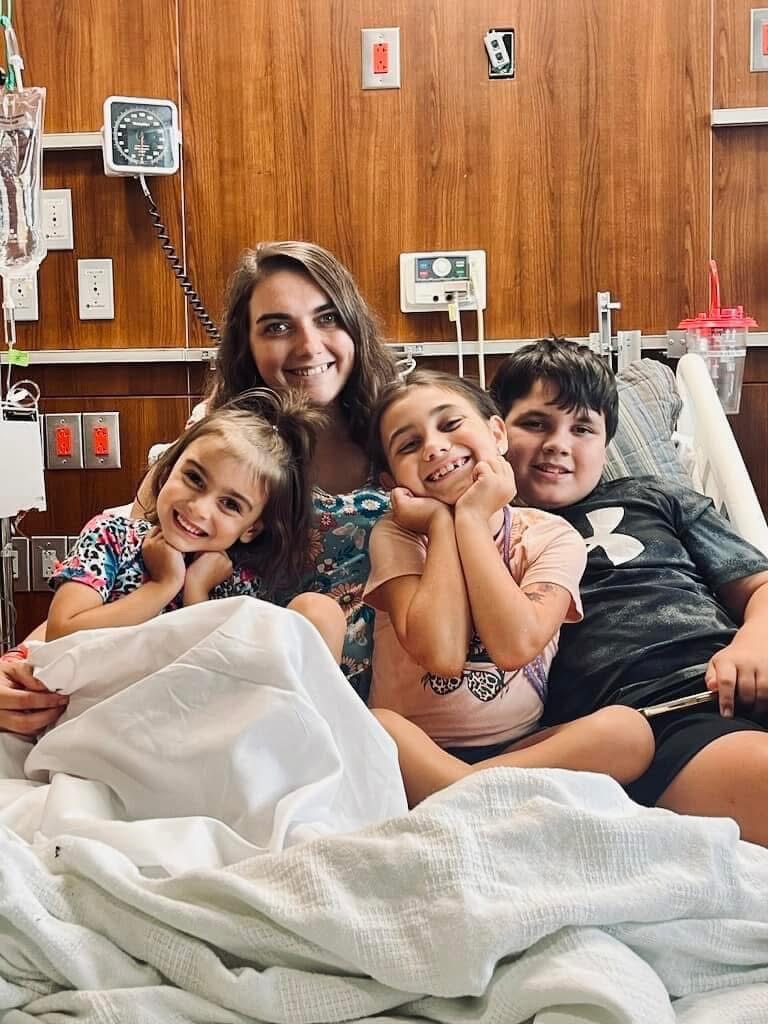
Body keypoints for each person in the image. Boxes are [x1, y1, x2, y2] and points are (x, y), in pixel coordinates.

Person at [491, 338, 768, 846]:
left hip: (739, 670)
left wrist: (754, 643)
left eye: (582, 429)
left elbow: (760, 585)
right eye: (535, 423)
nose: (558, 443)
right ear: (496, 433)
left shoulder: (655, 498)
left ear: (606, 444)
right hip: (657, 717)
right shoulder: (493, 535)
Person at [362, 369, 655, 807]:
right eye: (409, 445)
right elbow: (441, 655)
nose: (434, 447)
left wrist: (469, 519)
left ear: (498, 434)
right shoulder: (397, 535)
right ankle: (481, 793)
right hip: (414, 748)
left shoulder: (551, 536)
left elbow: (516, 645)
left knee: (628, 732)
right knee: (379, 726)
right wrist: (441, 525)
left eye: (450, 424)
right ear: (391, 483)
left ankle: (461, 790)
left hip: (519, 750)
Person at [134, 241, 398, 693]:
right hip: (248, 691)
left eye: (327, 318)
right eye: (277, 327)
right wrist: (26, 657)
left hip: (394, 703)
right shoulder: (219, 441)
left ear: (354, 326)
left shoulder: (404, 432)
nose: (309, 345)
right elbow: (121, 550)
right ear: (247, 346)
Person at [47, 389, 345, 656]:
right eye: (194, 478)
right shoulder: (111, 536)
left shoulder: (237, 581)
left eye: (230, 504)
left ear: (251, 528)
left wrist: (196, 590)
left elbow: (221, 677)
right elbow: (59, 635)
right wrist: (163, 586)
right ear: (167, 471)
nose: (199, 509)